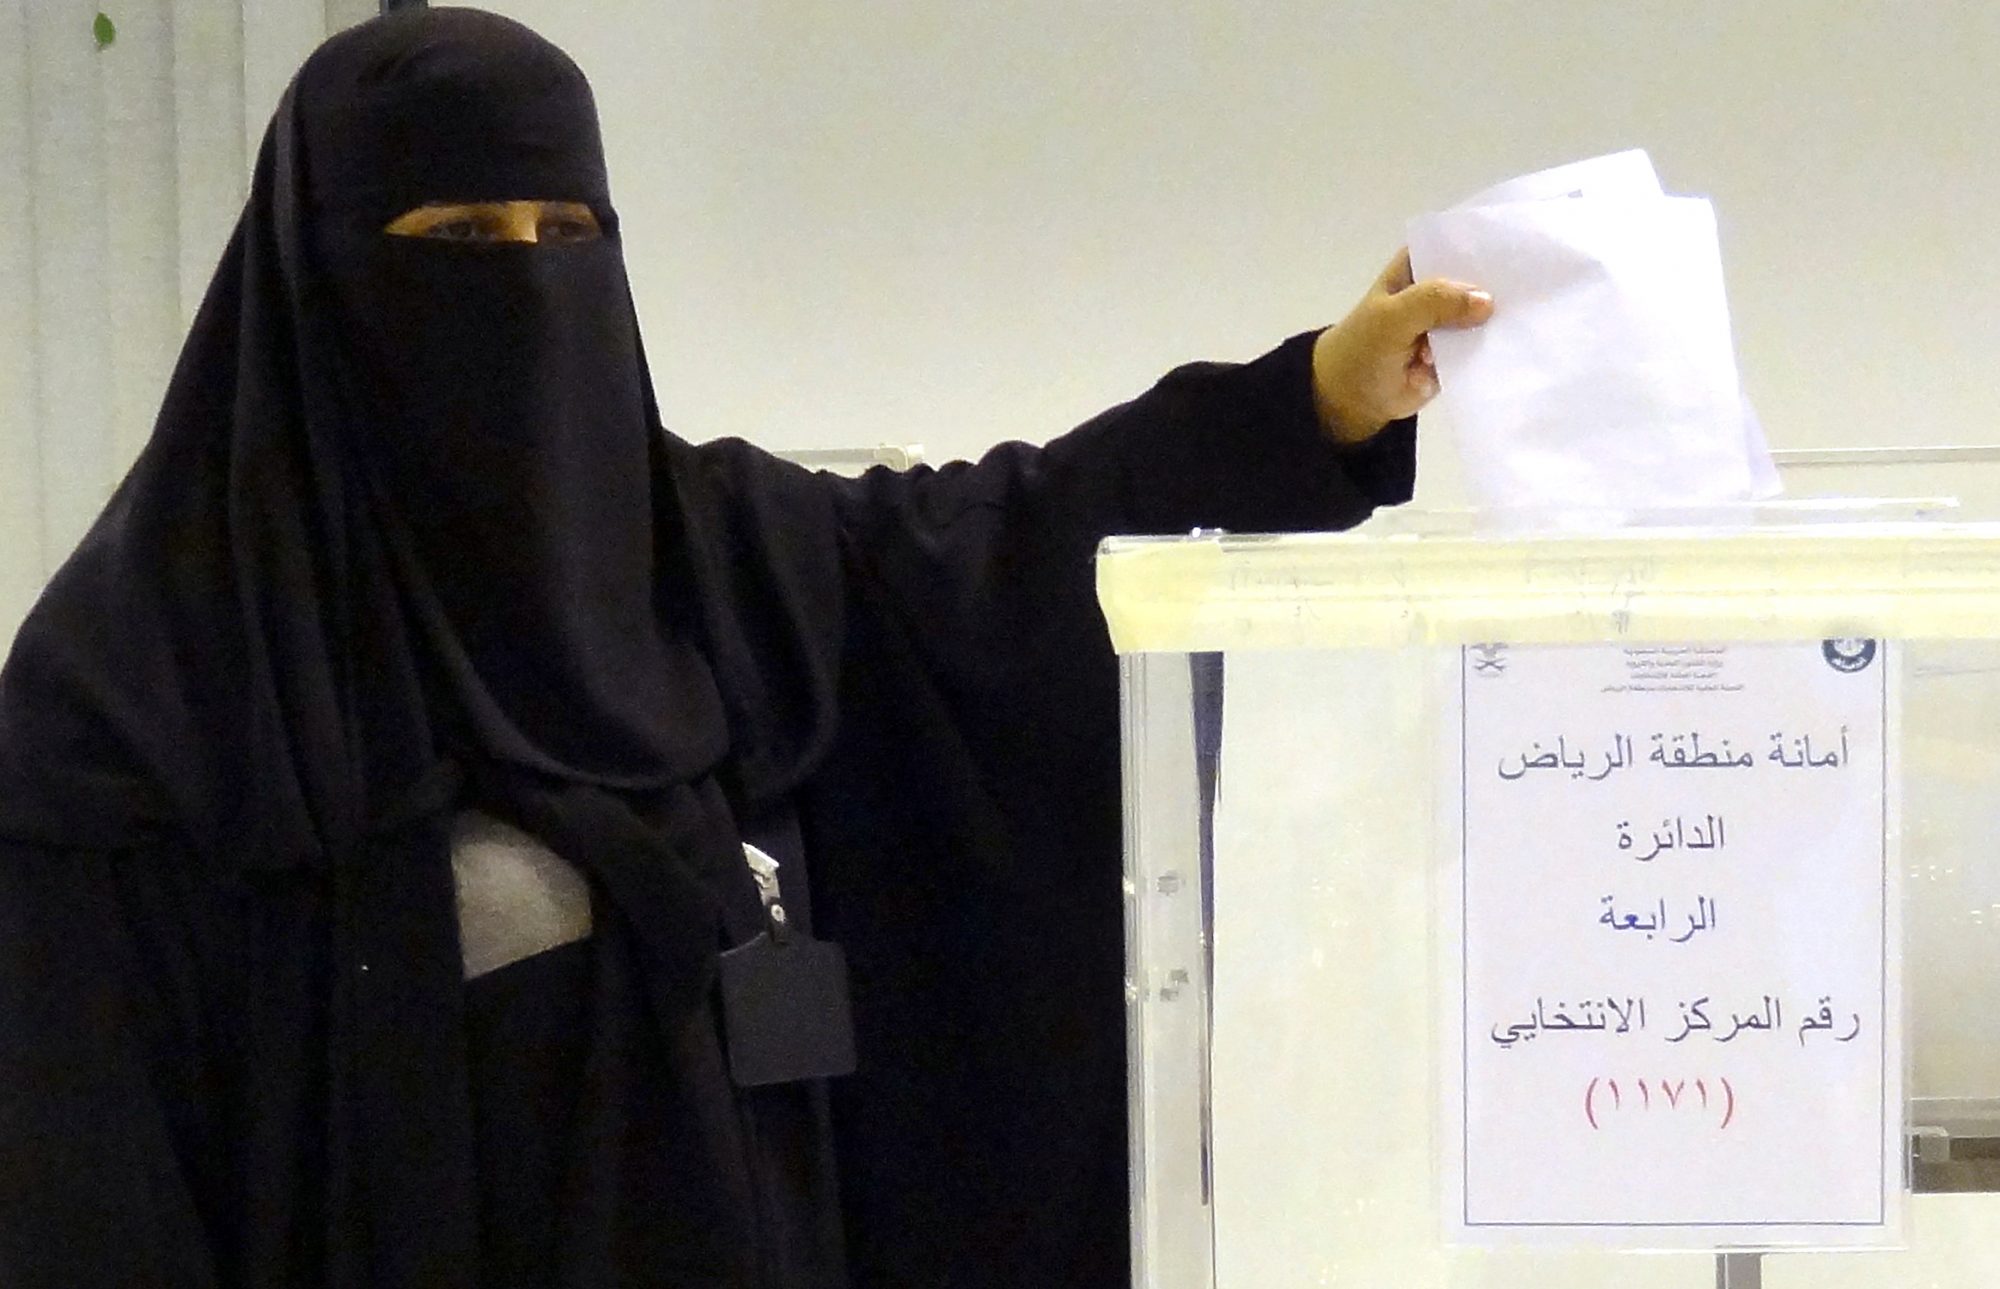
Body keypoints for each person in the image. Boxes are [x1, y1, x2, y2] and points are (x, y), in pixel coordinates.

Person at [0, 9, 1490, 1289]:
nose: (524, 285)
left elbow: (1011, 544)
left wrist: (1313, 407)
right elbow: (88, 1203)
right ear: (319, 277)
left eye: (568, 237)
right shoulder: (150, 701)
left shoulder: (706, 556)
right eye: (458, 242)